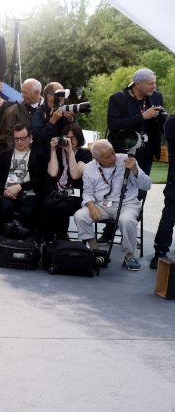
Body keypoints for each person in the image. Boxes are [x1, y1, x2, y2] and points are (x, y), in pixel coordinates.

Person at [74, 140, 153, 271]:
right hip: (101, 205)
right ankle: (95, 249)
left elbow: (147, 185)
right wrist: (90, 205)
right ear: (97, 159)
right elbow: (87, 193)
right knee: (80, 216)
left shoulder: (126, 160)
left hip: (127, 203)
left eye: (113, 153)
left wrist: (135, 170)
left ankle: (130, 255)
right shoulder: (89, 168)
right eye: (108, 156)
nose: (113, 157)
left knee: (126, 220)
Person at [107, 68, 165, 178]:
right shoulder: (118, 98)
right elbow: (114, 125)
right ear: (137, 84)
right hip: (124, 151)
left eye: (154, 82)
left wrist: (161, 117)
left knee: (142, 189)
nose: (154, 86)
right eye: (150, 83)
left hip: (147, 152)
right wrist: (143, 116)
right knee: (122, 188)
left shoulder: (157, 96)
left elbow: (159, 124)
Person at [42, 123, 89, 244]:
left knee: (62, 207)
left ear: (78, 138)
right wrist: (52, 150)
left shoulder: (85, 154)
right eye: (66, 137)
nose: (69, 141)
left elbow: (75, 175)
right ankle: (48, 240)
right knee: (48, 204)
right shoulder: (57, 152)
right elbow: (52, 173)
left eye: (72, 138)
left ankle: (61, 239)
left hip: (75, 193)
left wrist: (71, 153)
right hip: (56, 191)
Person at [0, 123, 44, 233]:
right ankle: (3, 238)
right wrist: (5, 191)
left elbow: (40, 180)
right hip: (7, 193)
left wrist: (20, 187)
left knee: (29, 210)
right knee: (5, 207)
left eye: (23, 138)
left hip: (29, 194)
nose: (19, 142)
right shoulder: (4, 155)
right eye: (16, 139)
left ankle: (26, 239)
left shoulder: (38, 156)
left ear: (31, 138)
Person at [151, 115, 175, 268]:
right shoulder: (172, 123)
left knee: (169, 214)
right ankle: (160, 252)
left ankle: (160, 251)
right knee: (170, 214)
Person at [0, 78, 42, 152]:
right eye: (22, 92)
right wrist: (15, 152)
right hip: (22, 154)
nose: (22, 96)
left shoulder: (49, 109)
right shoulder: (15, 110)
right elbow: (9, 134)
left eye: (25, 93)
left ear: (37, 92)